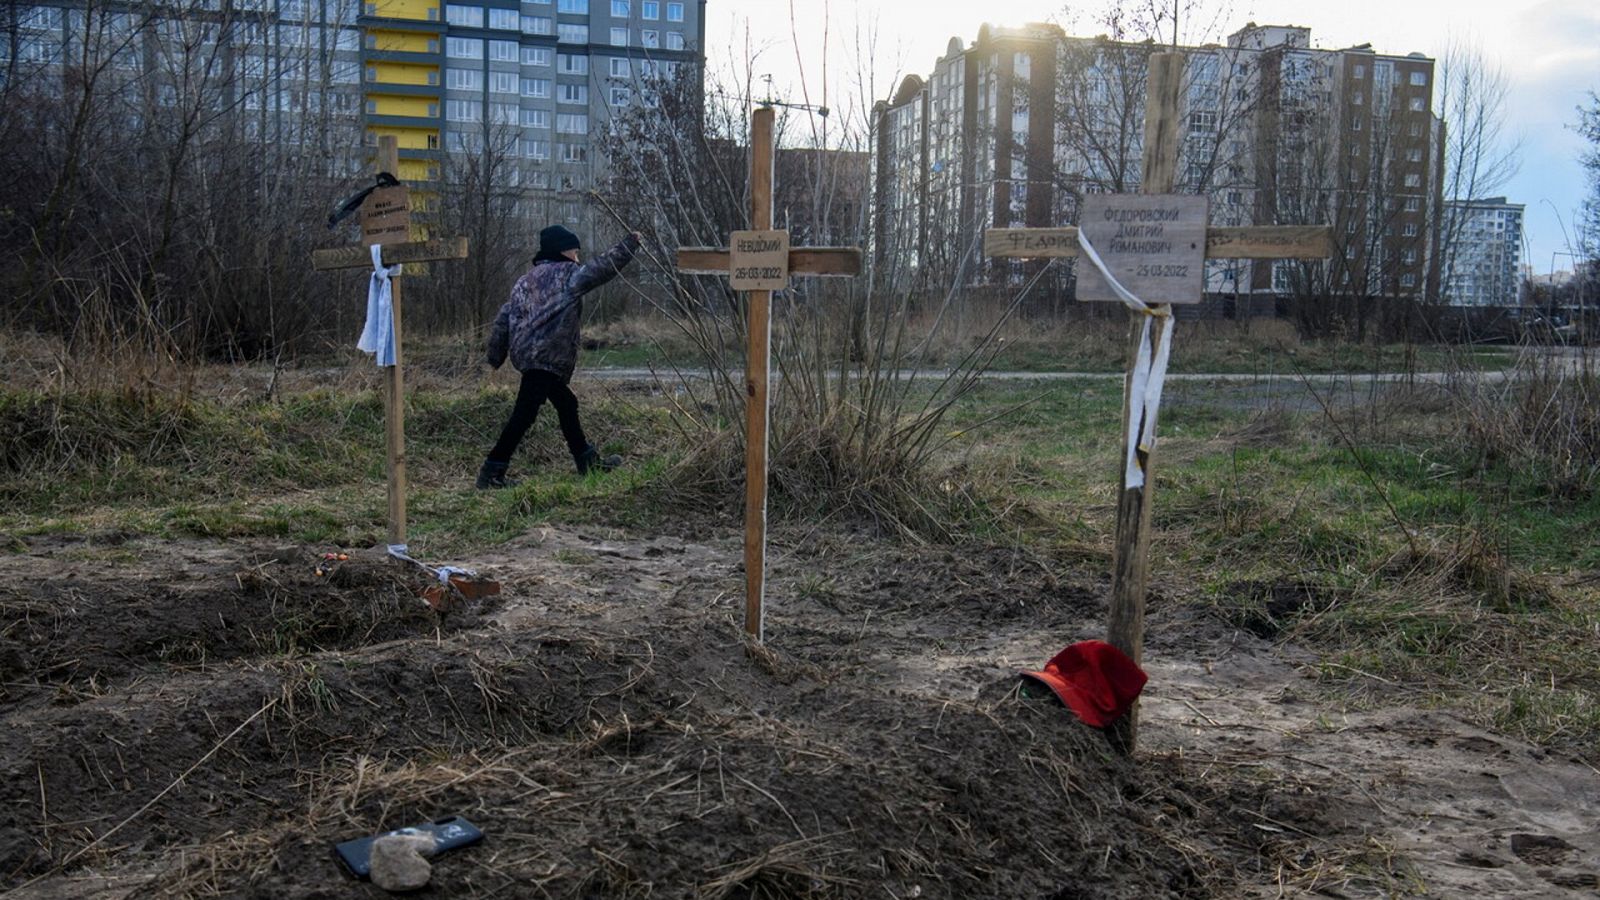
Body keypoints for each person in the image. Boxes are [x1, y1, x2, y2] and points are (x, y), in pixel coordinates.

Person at [477, 225, 641, 489]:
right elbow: (602, 269)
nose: (578, 255)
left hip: (529, 356)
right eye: (574, 250)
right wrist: (629, 244)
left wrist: (495, 356)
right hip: (546, 356)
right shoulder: (568, 275)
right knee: (524, 414)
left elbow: (504, 317)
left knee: (566, 403)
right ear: (563, 251)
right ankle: (492, 471)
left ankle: (586, 460)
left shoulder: (524, 281)